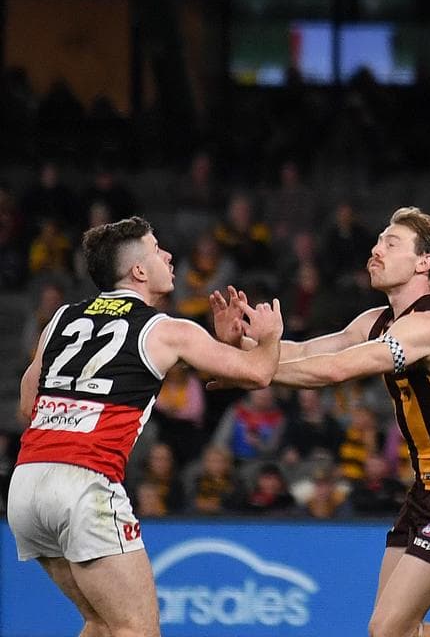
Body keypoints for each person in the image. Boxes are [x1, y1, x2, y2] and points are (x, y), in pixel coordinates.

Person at [211, 206, 430, 637]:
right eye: (378, 241)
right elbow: (308, 353)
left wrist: (253, 367)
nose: (376, 249)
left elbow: (334, 372)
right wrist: (244, 344)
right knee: (394, 632)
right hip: (428, 491)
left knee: (388, 628)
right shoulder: (378, 322)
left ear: (425, 263)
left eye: (391, 243)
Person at [7, 216, 282, 637]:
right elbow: (259, 374)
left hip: (27, 485)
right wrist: (268, 337)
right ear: (138, 270)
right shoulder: (166, 329)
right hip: (84, 484)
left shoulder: (61, 318)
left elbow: (29, 406)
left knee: (101, 623)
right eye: (157, 249)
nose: (169, 255)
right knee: (138, 628)